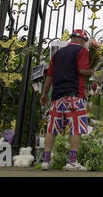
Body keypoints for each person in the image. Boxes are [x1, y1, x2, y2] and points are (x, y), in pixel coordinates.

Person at [40, 29, 94, 171]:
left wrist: (45, 93)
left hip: (57, 96)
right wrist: (92, 71)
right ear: (83, 40)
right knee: (76, 128)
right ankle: (72, 161)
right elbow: (83, 71)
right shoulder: (82, 51)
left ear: (72, 39)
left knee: (52, 128)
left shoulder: (58, 54)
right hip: (74, 94)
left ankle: (46, 160)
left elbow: (50, 76)